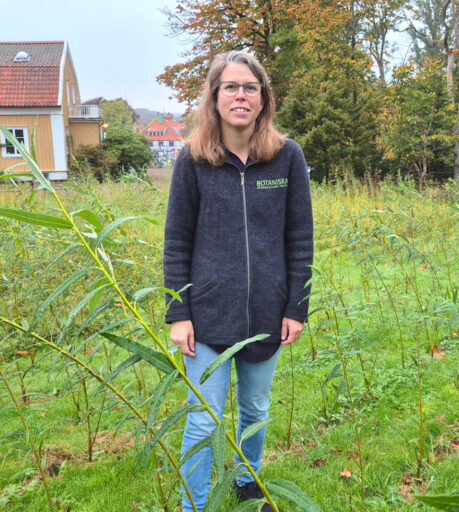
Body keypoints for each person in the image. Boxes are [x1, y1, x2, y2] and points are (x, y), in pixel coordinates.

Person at [163, 50, 314, 512]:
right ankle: (194, 505)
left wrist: (296, 307)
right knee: (203, 423)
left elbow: (300, 239)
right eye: (231, 86)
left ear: (263, 98)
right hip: (207, 317)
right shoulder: (192, 160)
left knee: (255, 412)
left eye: (250, 87)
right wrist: (178, 313)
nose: (241, 95)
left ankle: (247, 484)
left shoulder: (286, 157)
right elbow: (176, 241)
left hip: (268, 312)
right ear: (214, 97)